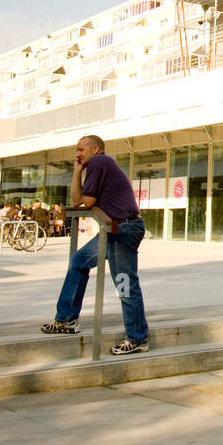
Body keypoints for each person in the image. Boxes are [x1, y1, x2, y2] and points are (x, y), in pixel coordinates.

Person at [41, 134, 149, 354]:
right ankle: (67, 320)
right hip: (113, 229)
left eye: (81, 150)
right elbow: (75, 201)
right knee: (79, 262)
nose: (78, 154)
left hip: (124, 228)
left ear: (95, 148)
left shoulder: (101, 162)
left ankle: (138, 338)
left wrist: (83, 173)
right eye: (76, 151)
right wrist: (77, 171)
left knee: (125, 282)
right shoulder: (94, 166)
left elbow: (87, 201)